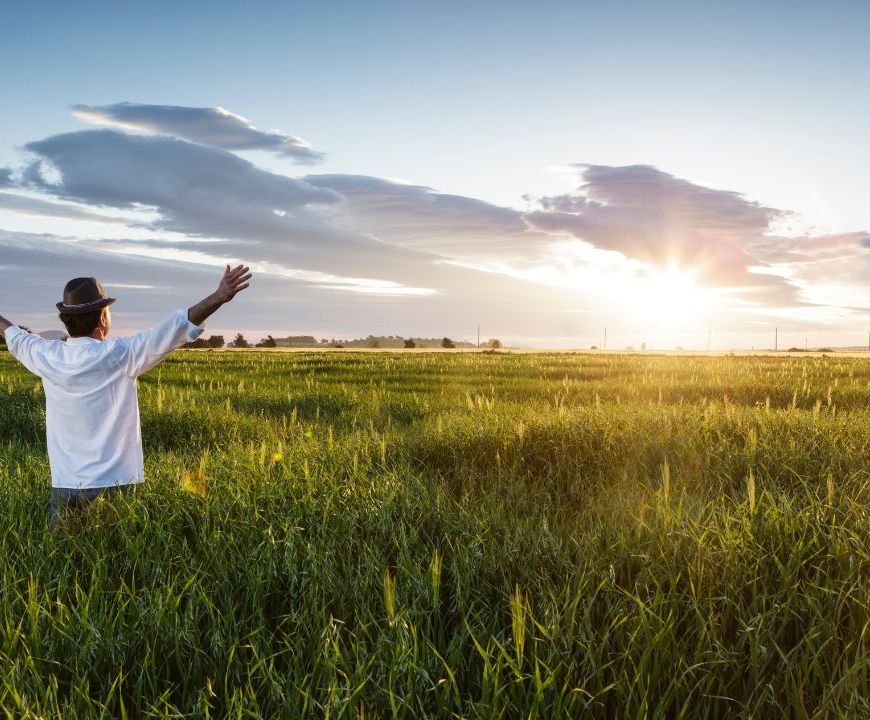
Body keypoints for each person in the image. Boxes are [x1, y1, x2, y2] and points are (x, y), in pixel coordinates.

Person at [0, 264, 252, 524]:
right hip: (116, 484)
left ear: (66, 320)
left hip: (66, 484)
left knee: (66, 558)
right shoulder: (120, 354)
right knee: (120, 560)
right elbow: (175, 326)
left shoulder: (46, 355)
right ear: (101, 319)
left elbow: (12, 333)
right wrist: (219, 296)